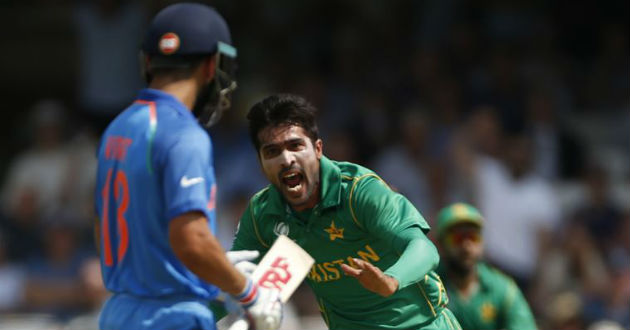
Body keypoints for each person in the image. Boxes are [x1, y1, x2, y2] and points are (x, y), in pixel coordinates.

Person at [94, 4, 282, 330]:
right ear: (212, 66)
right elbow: (191, 240)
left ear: (149, 62)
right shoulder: (184, 134)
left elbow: (115, 231)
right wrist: (248, 292)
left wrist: (214, 272)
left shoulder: (118, 128)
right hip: (171, 318)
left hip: (118, 315)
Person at [231, 94, 461, 330]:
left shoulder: (358, 191)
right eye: (272, 152)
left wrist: (391, 280)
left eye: (295, 145)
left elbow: (424, 248)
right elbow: (230, 282)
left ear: (318, 149)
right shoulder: (262, 214)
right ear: (260, 163)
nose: (286, 159)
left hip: (421, 325)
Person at [435, 202, 537, 330]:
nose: (467, 246)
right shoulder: (428, 287)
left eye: (473, 237)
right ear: (440, 244)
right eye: (457, 238)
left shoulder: (503, 290)